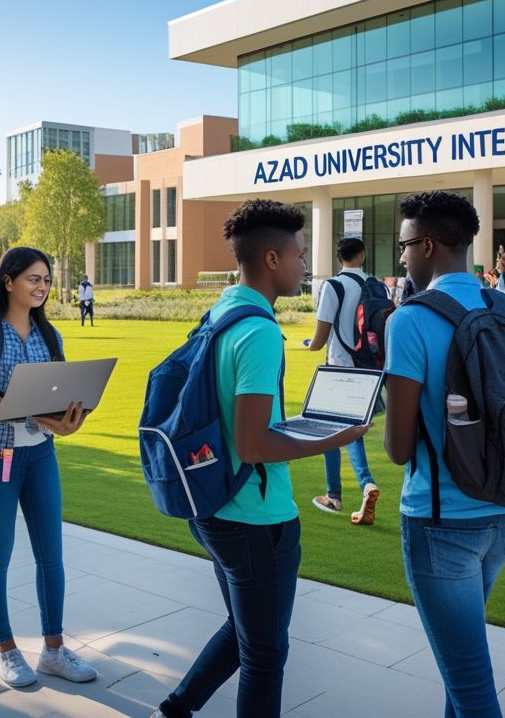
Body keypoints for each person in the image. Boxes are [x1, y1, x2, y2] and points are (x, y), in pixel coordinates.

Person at [151, 200, 370, 718]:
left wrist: (293, 429)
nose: (305, 266)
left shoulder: (225, 310)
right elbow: (253, 445)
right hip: (253, 514)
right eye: (299, 254)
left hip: (211, 502)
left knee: (246, 632)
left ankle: (173, 711)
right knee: (266, 654)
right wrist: (330, 439)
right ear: (272, 259)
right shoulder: (260, 332)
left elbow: (242, 424)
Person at [382, 191, 505, 718]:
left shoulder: (410, 320)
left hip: (441, 523)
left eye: (404, 246)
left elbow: (397, 450)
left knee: (471, 688)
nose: (401, 258)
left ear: (429, 245)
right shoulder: (501, 305)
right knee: (458, 670)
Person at [0, 246, 97, 689]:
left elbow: (62, 396)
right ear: (8, 281)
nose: (42, 286)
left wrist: (70, 421)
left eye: (47, 280)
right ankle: (7, 651)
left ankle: (54, 651)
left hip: (40, 455)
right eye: (33, 278)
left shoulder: (50, 336)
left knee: (51, 556)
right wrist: (20, 407)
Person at [306, 236, 380, 524]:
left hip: (338, 367)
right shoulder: (374, 284)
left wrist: (308, 345)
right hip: (370, 367)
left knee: (337, 430)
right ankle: (341, 492)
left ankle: (349, 490)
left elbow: (321, 336)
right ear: (362, 255)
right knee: (344, 428)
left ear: (339, 258)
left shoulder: (333, 286)